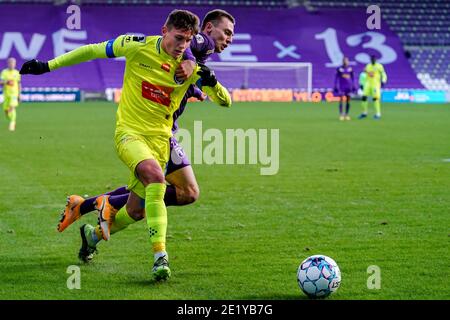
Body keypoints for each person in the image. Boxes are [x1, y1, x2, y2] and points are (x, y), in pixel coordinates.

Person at [20, 9, 231, 281]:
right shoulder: (137, 46)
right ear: (164, 31)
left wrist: (208, 82)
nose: (182, 47)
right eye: (178, 38)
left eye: (186, 42)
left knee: (147, 206)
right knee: (156, 179)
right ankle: (160, 257)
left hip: (162, 138)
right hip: (130, 133)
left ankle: (92, 234)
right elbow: (93, 50)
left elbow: (225, 100)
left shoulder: (192, 65)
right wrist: (47, 66)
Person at [358, 55, 387, 120]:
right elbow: (364, 75)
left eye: (373, 59)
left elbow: (383, 74)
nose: (373, 60)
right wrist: (362, 83)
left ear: (375, 59)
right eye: (371, 59)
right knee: (364, 97)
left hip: (375, 84)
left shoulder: (379, 66)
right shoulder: (368, 66)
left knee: (375, 99)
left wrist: (383, 81)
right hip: (368, 84)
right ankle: (364, 113)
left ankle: (378, 114)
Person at [1, 58, 21, 131]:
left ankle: (12, 124)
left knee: (11, 107)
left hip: (14, 94)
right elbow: (1, 82)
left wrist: (19, 95)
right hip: (6, 94)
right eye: (10, 63)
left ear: (15, 64)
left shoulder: (17, 73)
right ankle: (12, 120)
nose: (12, 64)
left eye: (13, 63)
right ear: (8, 63)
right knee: (6, 111)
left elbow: (19, 84)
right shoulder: (4, 72)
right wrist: (6, 82)